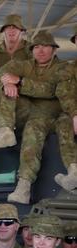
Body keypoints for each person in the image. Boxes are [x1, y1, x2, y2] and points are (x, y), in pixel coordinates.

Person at [0, 31, 72, 204]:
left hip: (54, 114)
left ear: (54, 50)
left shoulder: (63, 67)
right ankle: (5, 131)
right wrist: (6, 82)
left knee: (33, 131)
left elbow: (50, 90)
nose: (40, 51)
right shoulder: (23, 65)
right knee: (5, 90)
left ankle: (24, 185)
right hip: (30, 113)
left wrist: (20, 82)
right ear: (32, 50)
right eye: (36, 47)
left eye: (46, 47)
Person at [54, 28, 77, 192]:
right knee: (63, 122)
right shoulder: (69, 69)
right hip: (74, 113)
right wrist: (75, 114)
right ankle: (74, 171)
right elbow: (64, 93)